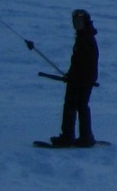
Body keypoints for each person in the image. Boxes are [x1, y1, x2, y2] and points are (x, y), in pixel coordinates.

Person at [41, 9, 99, 147]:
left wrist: (74, 77)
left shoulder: (86, 39)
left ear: (86, 22)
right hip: (82, 79)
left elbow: (86, 63)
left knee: (72, 106)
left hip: (81, 80)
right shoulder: (84, 36)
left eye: (80, 22)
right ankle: (85, 137)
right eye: (75, 22)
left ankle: (69, 137)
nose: (77, 24)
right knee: (80, 106)